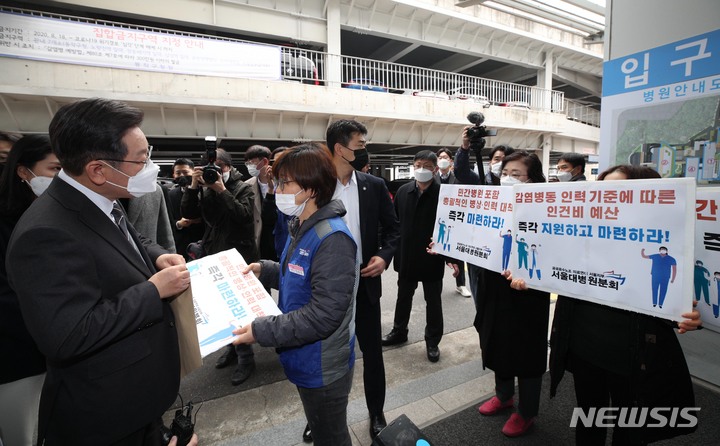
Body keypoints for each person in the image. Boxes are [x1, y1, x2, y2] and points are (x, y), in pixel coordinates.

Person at [5, 98, 190, 445]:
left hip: (137, 397)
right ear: (98, 170)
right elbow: (68, 334)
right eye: (141, 159)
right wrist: (153, 290)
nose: (149, 167)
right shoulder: (44, 233)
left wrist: (155, 257)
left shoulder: (99, 198)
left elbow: (120, 241)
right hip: (107, 417)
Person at [511, 164, 703, 446]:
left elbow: (674, 303)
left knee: (629, 428)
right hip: (584, 351)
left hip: (633, 360)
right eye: (601, 190)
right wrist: (526, 279)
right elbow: (550, 269)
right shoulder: (580, 236)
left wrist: (685, 316)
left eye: (617, 192)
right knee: (589, 419)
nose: (606, 197)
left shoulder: (668, 242)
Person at [233, 143, 358, 446]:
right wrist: (266, 269)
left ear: (311, 189)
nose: (278, 189)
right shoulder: (302, 224)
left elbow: (323, 315)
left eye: (285, 182)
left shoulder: (333, 238)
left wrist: (260, 330)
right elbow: (299, 273)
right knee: (321, 427)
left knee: (331, 436)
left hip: (322, 363)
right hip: (304, 356)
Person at [317, 119, 400, 441]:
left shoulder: (373, 185)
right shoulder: (314, 185)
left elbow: (393, 229)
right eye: (361, 145)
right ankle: (320, 414)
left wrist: (384, 255)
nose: (366, 150)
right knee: (324, 357)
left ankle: (376, 412)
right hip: (324, 289)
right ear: (340, 149)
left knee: (372, 354)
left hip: (364, 284)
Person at [473, 150, 551, 438]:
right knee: (497, 339)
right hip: (495, 286)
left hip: (529, 291)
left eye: (517, 174)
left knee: (526, 348)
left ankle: (527, 411)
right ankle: (504, 394)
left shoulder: (545, 207)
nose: (508, 178)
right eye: (505, 173)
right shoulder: (491, 202)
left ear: (534, 178)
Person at [181, 147, 258, 386]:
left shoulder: (243, 187)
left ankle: (246, 358)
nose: (213, 174)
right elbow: (187, 212)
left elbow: (244, 216)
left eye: (218, 169)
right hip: (215, 253)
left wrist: (222, 191)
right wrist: (194, 187)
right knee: (222, 307)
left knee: (240, 310)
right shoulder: (205, 189)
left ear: (227, 167)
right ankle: (232, 348)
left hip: (239, 256)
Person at [0, 135, 58, 446]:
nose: (62, 178)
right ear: (24, 172)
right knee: (24, 434)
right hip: (20, 357)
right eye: (55, 169)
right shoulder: (7, 222)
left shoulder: (59, 213)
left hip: (62, 350)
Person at [382, 150, 457, 363]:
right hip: (406, 256)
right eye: (417, 165)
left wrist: (452, 257)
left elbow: (452, 229)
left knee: (433, 301)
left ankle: (432, 341)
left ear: (435, 169)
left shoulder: (444, 194)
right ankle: (399, 331)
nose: (420, 169)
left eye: (425, 165)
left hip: (432, 258)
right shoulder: (404, 191)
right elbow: (394, 225)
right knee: (403, 296)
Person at [435, 147, 471, 298]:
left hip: (455, 221)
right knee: (436, 251)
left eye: (446, 157)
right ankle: (435, 284)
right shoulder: (430, 177)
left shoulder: (458, 178)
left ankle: (461, 284)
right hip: (436, 221)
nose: (443, 159)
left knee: (458, 252)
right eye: (440, 157)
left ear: (451, 161)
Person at [165, 158, 205, 260]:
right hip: (180, 245)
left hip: (202, 242)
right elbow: (166, 221)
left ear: (193, 172)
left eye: (185, 172)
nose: (182, 176)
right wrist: (179, 224)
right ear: (174, 175)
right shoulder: (170, 195)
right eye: (178, 173)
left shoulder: (204, 191)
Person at [244, 144, 278, 261]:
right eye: (247, 163)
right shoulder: (247, 185)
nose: (249, 166)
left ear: (264, 161)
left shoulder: (283, 182)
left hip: (277, 234)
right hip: (258, 236)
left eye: (252, 162)